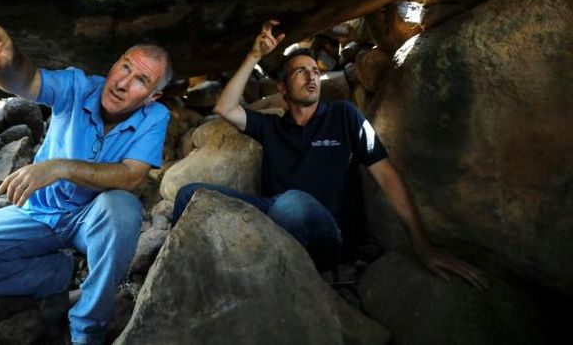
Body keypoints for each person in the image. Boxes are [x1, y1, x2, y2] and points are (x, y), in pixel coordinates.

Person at [173, 20, 488, 290]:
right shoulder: (270, 127)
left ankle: (269, 277)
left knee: (291, 203)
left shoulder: (343, 116)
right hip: (274, 215)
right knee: (190, 194)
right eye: (301, 72)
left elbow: (386, 175)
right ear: (282, 89)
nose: (312, 77)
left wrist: (423, 246)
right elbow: (224, 108)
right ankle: (180, 275)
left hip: (329, 231)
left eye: (315, 71)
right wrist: (254, 54)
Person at [0, 4, 173, 345]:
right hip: (37, 213)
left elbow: (131, 176)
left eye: (140, 81)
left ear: (152, 96)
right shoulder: (77, 86)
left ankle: (88, 329)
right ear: (114, 66)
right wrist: (3, 62)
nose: (123, 84)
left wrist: (61, 167)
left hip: (92, 221)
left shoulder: (155, 117)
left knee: (122, 207)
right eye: (124, 69)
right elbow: (26, 79)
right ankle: (57, 275)